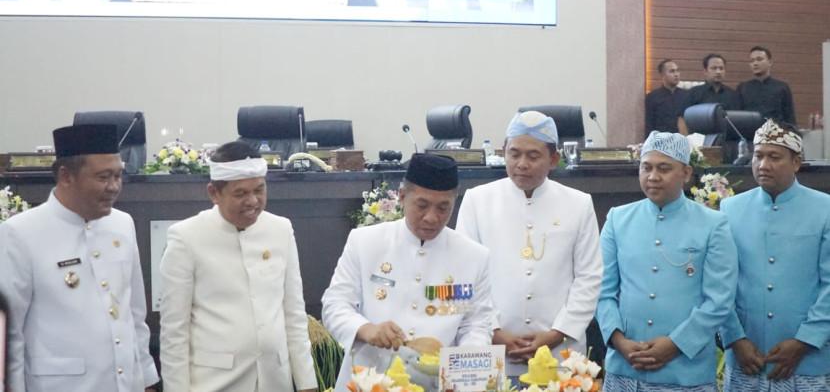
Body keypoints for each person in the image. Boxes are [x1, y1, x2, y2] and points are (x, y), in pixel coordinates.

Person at [0, 124, 159, 392]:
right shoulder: (21, 233)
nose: (113, 187)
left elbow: (134, 313)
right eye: (103, 177)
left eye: (118, 176)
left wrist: (146, 379)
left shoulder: (122, 224)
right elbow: (10, 335)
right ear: (66, 176)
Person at [322, 153, 494, 390]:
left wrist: (463, 370)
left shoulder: (473, 256)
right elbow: (335, 304)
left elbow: (477, 325)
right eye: (422, 206)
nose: (431, 218)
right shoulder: (365, 242)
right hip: (369, 379)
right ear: (402, 196)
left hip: (436, 383)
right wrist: (366, 329)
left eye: (443, 208)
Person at [159, 141, 316, 392]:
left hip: (275, 381)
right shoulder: (186, 237)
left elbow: (294, 313)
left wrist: (307, 383)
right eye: (240, 194)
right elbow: (174, 332)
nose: (253, 201)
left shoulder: (280, 229)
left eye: (259, 190)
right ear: (214, 193)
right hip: (214, 383)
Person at [455, 110, 602, 379]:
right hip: (490, 349)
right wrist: (494, 332)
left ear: (553, 159)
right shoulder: (477, 201)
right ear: (503, 151)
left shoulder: (578, 204)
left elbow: (589, 277)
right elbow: (463, 275)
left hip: (560, 353)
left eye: (533, 156)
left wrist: (557, 334)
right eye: (514, 154)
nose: (522, 164)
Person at [597, 131, 737, 391]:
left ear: (686, 173)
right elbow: (602, 291)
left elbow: (719, 300)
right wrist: (619, 341)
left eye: (664, 168)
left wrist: (675, 345)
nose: (653, 176)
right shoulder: (618, 219)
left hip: (685, 371)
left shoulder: (713, 224)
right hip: (625, 367)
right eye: (646, 167)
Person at [720, 119, 830, 391]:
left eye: (774, 157)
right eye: (758, 156)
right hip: (747, 357)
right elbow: (719, 284)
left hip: (809, 358)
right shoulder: (730, 209)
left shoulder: (824, 209)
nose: (763, 165)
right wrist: (735, 339)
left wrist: (804, 341)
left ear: (796, 162)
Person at [737, 46, 797, 125]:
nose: (755, 63)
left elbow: (790, 117)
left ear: (770, 62)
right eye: (752, 61)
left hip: (775, 131)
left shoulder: (782, 87)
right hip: (750, 131)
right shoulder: (743, 88)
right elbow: (738, 117)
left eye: (759, 59)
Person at [646, 59, 688, 136]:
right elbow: (649, 124)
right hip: (661, 139)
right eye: (672, 71)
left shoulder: (686, 95)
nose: (676, 74)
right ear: (662, 75)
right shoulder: (653, 97)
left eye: (677, 71)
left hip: (682, 139)